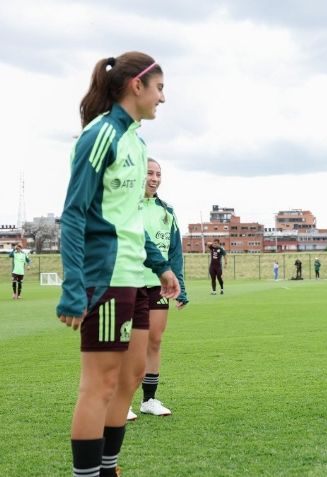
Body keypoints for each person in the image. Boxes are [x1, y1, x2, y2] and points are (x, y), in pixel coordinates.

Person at [57, 52, 179, 477]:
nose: (163, 98)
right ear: (137, 86)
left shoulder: (136, 140)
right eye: (160, 88)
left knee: (128, 380)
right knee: (101, 384)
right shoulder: (100, 135)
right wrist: (74, 287)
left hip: (137, 278)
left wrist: (161, 266)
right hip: (106, 278)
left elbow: (128, 219)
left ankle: (108, 468)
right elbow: (74, 214)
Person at [127, 158, 188, 420]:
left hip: (158, 285)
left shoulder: (167, 211)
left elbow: (175, 251)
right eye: (149, 173)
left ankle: (149, 400)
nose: (154, 178)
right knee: (131, 343)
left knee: (155, 340)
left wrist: (180, 286)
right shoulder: (127, 206)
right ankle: (122, 401)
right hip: (129, 281)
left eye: (158, 174)